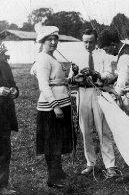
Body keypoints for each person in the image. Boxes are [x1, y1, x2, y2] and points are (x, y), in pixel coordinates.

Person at [31, 25, 76, 188]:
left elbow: (57, 80)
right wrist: (55, 107)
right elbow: (44, 85)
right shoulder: (43, 58)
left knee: (58, 141)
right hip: (51, 108)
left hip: (61, 104)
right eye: (49, 39)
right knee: (52, 143)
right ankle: (53, 177)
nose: (53, 42)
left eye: (55, 39)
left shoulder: (52, 57)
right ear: (42, 41)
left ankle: (58, 171)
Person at [71, 29, 119, 177]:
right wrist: (75, 75)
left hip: (98, 92)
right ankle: (90, 163)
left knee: (103, 129)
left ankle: (110, 165)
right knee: (85, 130)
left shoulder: (103, 55)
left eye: (91, 41)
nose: (88, 45)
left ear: (96, 41)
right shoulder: (77, 56)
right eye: (85, 41)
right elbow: (71, 79)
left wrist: (96, 74)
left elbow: (110, 75)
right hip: (82, 93)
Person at [0, 54, 19, 194]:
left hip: (4, 115)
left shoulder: (4, 64)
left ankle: (2, 186)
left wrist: (14, 91)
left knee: (4, 151)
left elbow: (13, 83)